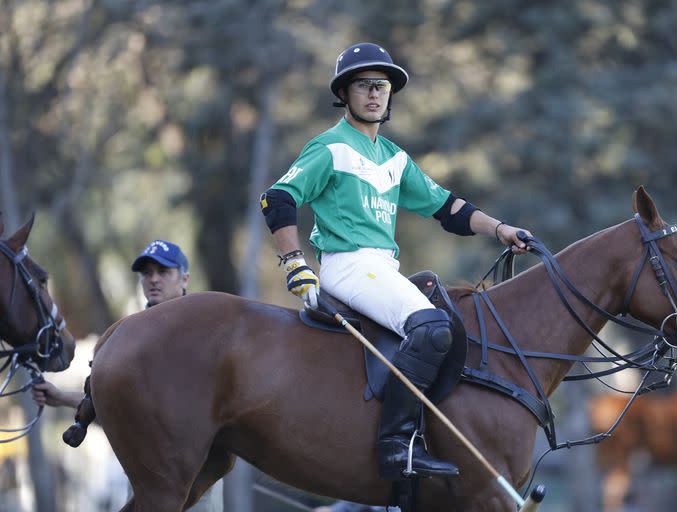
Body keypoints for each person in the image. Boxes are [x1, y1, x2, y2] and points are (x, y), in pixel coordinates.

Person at [260, 42, 532, 482]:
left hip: (382, 268)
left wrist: (501, 229)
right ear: (345, 94)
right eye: (364, 86)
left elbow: (449, 208)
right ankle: (395, 446)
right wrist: (294, 262)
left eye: (382, 88)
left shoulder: (394, 158)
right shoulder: (329, 147)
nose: (374, 95)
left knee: (446, 324)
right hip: (347, 264)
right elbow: (278, 198)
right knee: (431, 327)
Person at [32, 240, 223, 512]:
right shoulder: (129, 339)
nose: (153, 279)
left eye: (163, 271)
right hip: (141, 485)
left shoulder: (205, 335)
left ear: (185, 279)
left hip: (194, 487)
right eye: (147, 272)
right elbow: (122, 414)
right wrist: (61, 397)